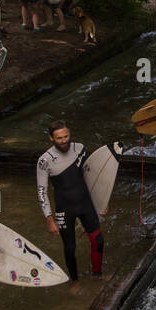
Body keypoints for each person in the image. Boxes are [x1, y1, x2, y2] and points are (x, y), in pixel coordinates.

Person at [36, 121, 107, 296]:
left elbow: (92, 176)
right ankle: (74, 280)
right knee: (70, 247)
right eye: (59, 138)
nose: (63, 141)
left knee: (98, 241)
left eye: (66, 136)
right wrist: (49, 219)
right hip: (64, 209)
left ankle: (97, 275)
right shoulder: (44, 161)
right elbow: (41, 191)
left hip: (85, 204)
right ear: (51, 138)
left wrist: (101, 202)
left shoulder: (80, 149)